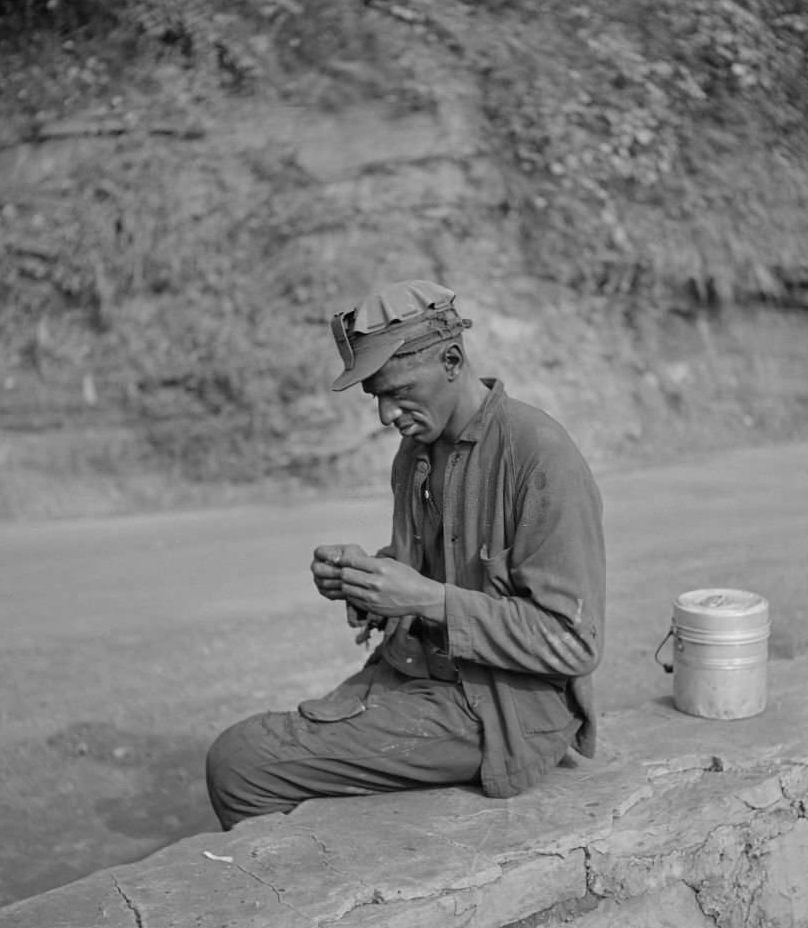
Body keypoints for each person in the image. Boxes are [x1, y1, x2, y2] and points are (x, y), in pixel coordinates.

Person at [206, 280, 606, 830]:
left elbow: (573, 640)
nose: (385, 415)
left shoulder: (540, 455)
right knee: (278, 759)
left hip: (500, 708)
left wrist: (423, 597)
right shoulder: (417, 452)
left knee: (241, 762)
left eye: (398, 391)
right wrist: (368, 581)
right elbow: (442, 566)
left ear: (451, 358)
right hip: (421, 673)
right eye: (376, 396)